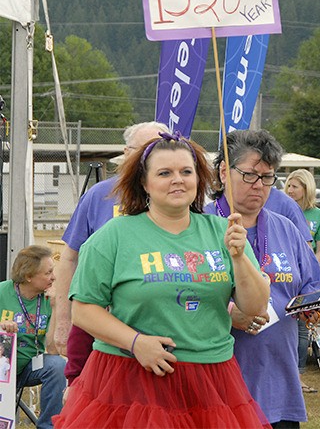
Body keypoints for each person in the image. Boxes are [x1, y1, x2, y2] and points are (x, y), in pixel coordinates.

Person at [54, 132, 270, 428]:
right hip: (130, 378)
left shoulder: (225, 232)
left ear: (199, 178)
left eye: (186, 171)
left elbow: (255, 306)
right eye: (164, 173)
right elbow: (83, 309)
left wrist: (239, 258)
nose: (177, 180)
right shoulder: (113, 236)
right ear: (144, 183)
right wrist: (135, 343)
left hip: (210, 380)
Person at [209, 129, 320, 428]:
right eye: (250, 175)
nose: (259, 186)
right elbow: (179, 295)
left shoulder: (286, 227)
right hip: (220, 382)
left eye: (268, 177)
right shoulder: (199, 225)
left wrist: (314, 306)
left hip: (278, 382)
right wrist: (230, 313)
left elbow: (311, 283)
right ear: (224, 171)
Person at [54, 121, 170, 391]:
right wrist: (63, 321)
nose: (149, 159)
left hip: (156, 332)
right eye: (143, 151)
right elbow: (70, 258)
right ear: (126, 153)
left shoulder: (178, 203)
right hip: (96, 327)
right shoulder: (99, 196)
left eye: (157, 150)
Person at [0, 245, 66, 429]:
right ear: (29, 277)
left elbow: (52, 350)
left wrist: (55, 306)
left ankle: (48, 426)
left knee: (57, 365)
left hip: (28, 367)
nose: (54, 277)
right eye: (48, 273)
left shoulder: (48, 299)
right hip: (3, 368)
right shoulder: (2, 292)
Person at [285, 168, 320, 394]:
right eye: (288, 186)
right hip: (286, 275)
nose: (290, 190)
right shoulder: (283, 211)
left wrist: (310, 269)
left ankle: (299, 376)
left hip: (307, 277)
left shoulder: (318, 216)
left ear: (306, 188)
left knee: (303, 328)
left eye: (295, 186)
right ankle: (285, 374)